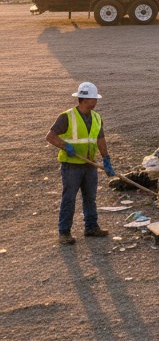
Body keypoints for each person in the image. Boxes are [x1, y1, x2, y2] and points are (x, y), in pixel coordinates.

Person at [46, 82, 116, 245]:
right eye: (94, 98)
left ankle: (91, 227)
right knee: (69, 198)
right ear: (84, 99)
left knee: (90, 197)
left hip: (90, 164)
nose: (96, 102)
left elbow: (100, 139)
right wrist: (65, 146)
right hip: (71, 165)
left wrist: (106, 159)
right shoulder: (67, 116)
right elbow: (50, 136)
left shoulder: (97, 117)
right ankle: (64, 232)